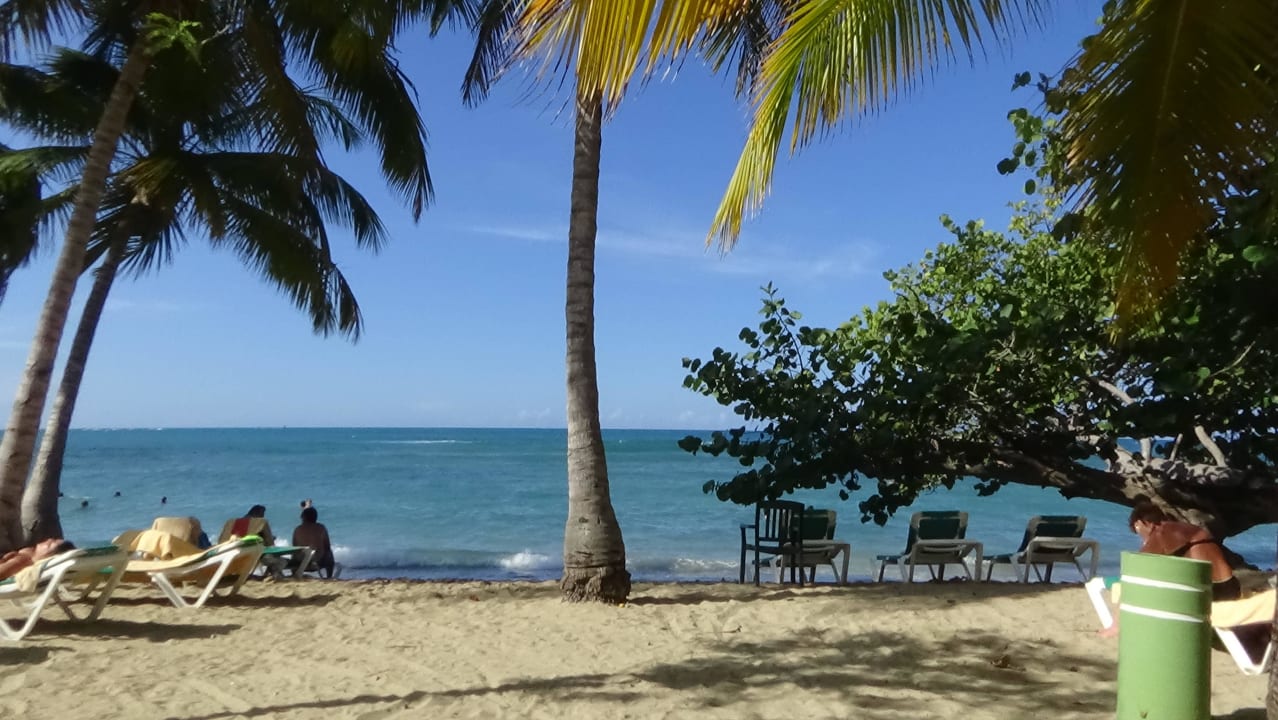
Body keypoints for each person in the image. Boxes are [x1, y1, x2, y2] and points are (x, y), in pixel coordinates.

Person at [1128, 501, 1240, 601]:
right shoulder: (1184, 529)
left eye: (1137, 531)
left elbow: (1138, 564)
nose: (1142, 538)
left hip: (1210, 590)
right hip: (1231, 586)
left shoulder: (1160, 531)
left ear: (1140, 523)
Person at [292, 506, 336, 578]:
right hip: (317, 562)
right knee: (329, 553)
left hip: (300, 563)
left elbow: (294, 547)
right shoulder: (321, 528)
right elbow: (327, 546)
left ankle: (294, 574)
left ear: (303, 517)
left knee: (294, 553)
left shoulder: (297, 529)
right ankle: (329, 577)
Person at [0, 538, 75, 581]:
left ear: (47, 555)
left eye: (51, 543)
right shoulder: (28, 555)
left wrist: (6, 558)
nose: (49, 539)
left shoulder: (22, 561)